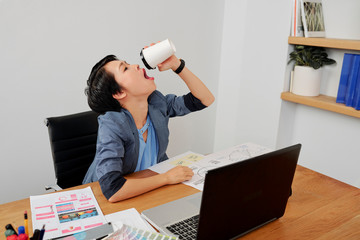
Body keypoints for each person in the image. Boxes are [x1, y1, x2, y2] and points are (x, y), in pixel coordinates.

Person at [83, 43, 215, 203]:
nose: (135, 65)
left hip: (147, 192)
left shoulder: (156, 103)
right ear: (119, 92)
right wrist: (166, 178)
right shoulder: (112, 123)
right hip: (103, 200)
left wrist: (176, 65)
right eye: (125, 68)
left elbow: (205, 99)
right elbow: (113, 190)